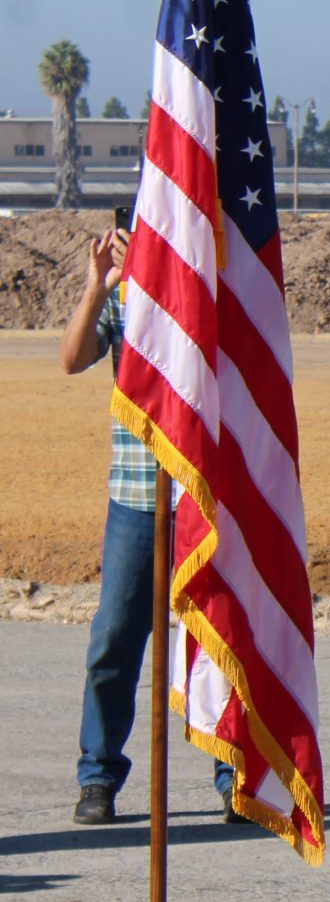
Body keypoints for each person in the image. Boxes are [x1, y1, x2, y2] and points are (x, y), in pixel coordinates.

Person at [59, 222, 234, 826]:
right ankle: (98, 775)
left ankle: (233, 774)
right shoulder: (122, 292)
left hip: (203, 495)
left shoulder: (210, 285)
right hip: (135, 497)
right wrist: (98, 286)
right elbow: (71, 360)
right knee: (114, 638)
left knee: (217, 639)